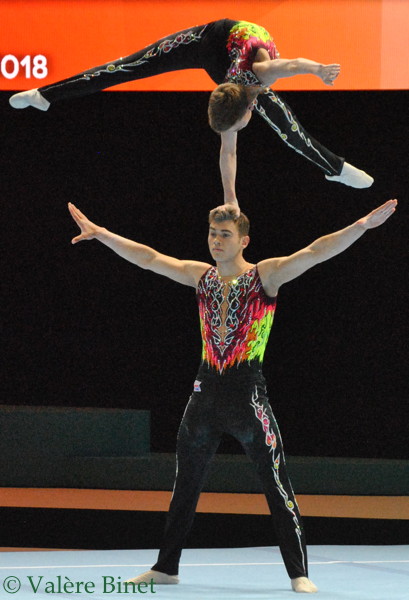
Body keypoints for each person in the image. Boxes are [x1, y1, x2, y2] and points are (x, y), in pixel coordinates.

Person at [67, 197, 397, 594]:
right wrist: (102, 234)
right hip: (203, 396)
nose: (216, 240)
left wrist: (360, 226)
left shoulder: (265, 276)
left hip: (248, 399)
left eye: (225, 234)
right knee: (185, 486)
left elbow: (314, 252)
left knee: (276, 484)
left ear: (244, 241)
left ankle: (299, 573)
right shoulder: (200, 276)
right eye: (212, 233)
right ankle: (166, 567)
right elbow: (149, 258)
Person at [10, 19, 373, 205]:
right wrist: (231, 198)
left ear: (246, 108)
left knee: (289, 129)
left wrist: (320, 70)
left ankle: (336, 169)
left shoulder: (262, 72)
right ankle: (44, 95)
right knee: (129, 66)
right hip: (205, 40)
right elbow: (227, 150)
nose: (236, 131)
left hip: (234, 51)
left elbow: (291, 64)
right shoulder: (232, 98)